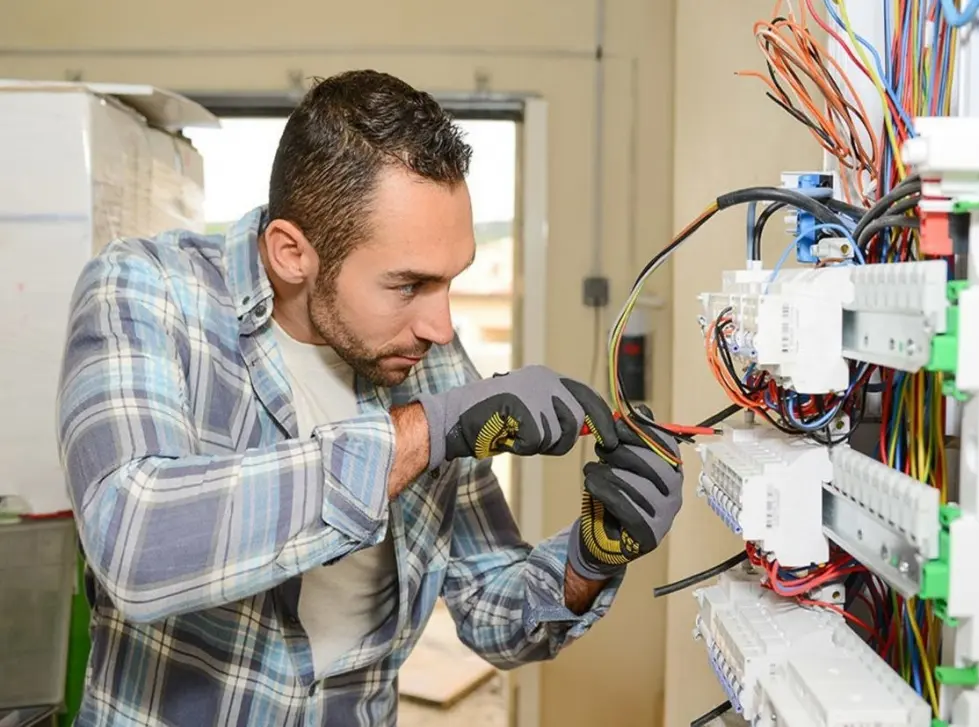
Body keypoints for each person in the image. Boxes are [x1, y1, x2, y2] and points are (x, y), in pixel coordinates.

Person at [57, 70, 684, 727]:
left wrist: (590, 556)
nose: (441, 326)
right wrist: (424, 433)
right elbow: (134, 543)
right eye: (409, 285)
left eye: (450, 281)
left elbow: (491, 611)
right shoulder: (147, 292)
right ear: (292, 253)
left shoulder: (431, 362)